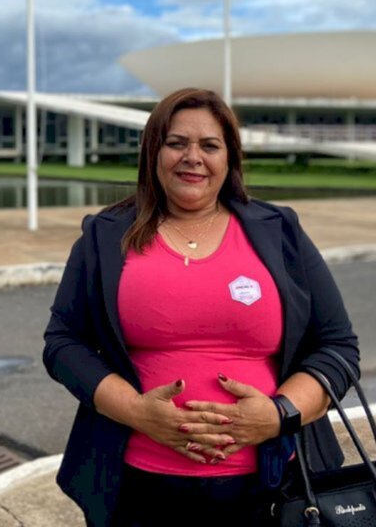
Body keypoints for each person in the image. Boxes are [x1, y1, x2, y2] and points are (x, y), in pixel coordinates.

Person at [42, 88, 359, 526]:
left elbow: (338, 347)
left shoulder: (279, 230)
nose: (193, 157)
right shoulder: (105, 236)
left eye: (210, 145)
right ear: (154, 151)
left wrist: (277, 414)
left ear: (229, 158)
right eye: (177, 143)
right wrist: (137, 412)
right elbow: (63, 343)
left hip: (273, 489)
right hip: (136, 487)